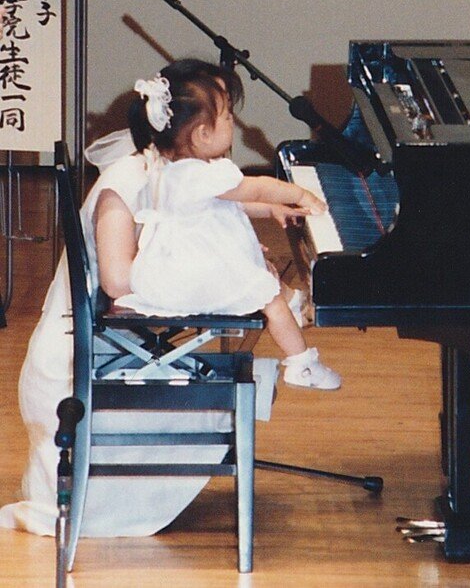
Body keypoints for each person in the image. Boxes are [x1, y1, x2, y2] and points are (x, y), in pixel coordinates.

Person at [1, 59, 334, 537]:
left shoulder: (163, 165)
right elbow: (118, 283)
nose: (231, 126)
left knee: (253, 298)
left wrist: (231, 242)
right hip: (83, 365)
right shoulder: (123, 184)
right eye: (222, 115)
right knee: (252, 316)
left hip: (113, 342)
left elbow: (206, 207)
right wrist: (211, 271)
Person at [112, 60, 341, 389]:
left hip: (172, 268)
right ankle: (301, 364)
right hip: (195, 278)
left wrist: (272, 209)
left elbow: (230, 205)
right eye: (228, 117)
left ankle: (293, 306)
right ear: (203, 134)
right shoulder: (208, 174)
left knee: (260, 268)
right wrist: (299, 194)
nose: (233, 123)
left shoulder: (172, 168)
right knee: (270, 299)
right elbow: (256, 186)